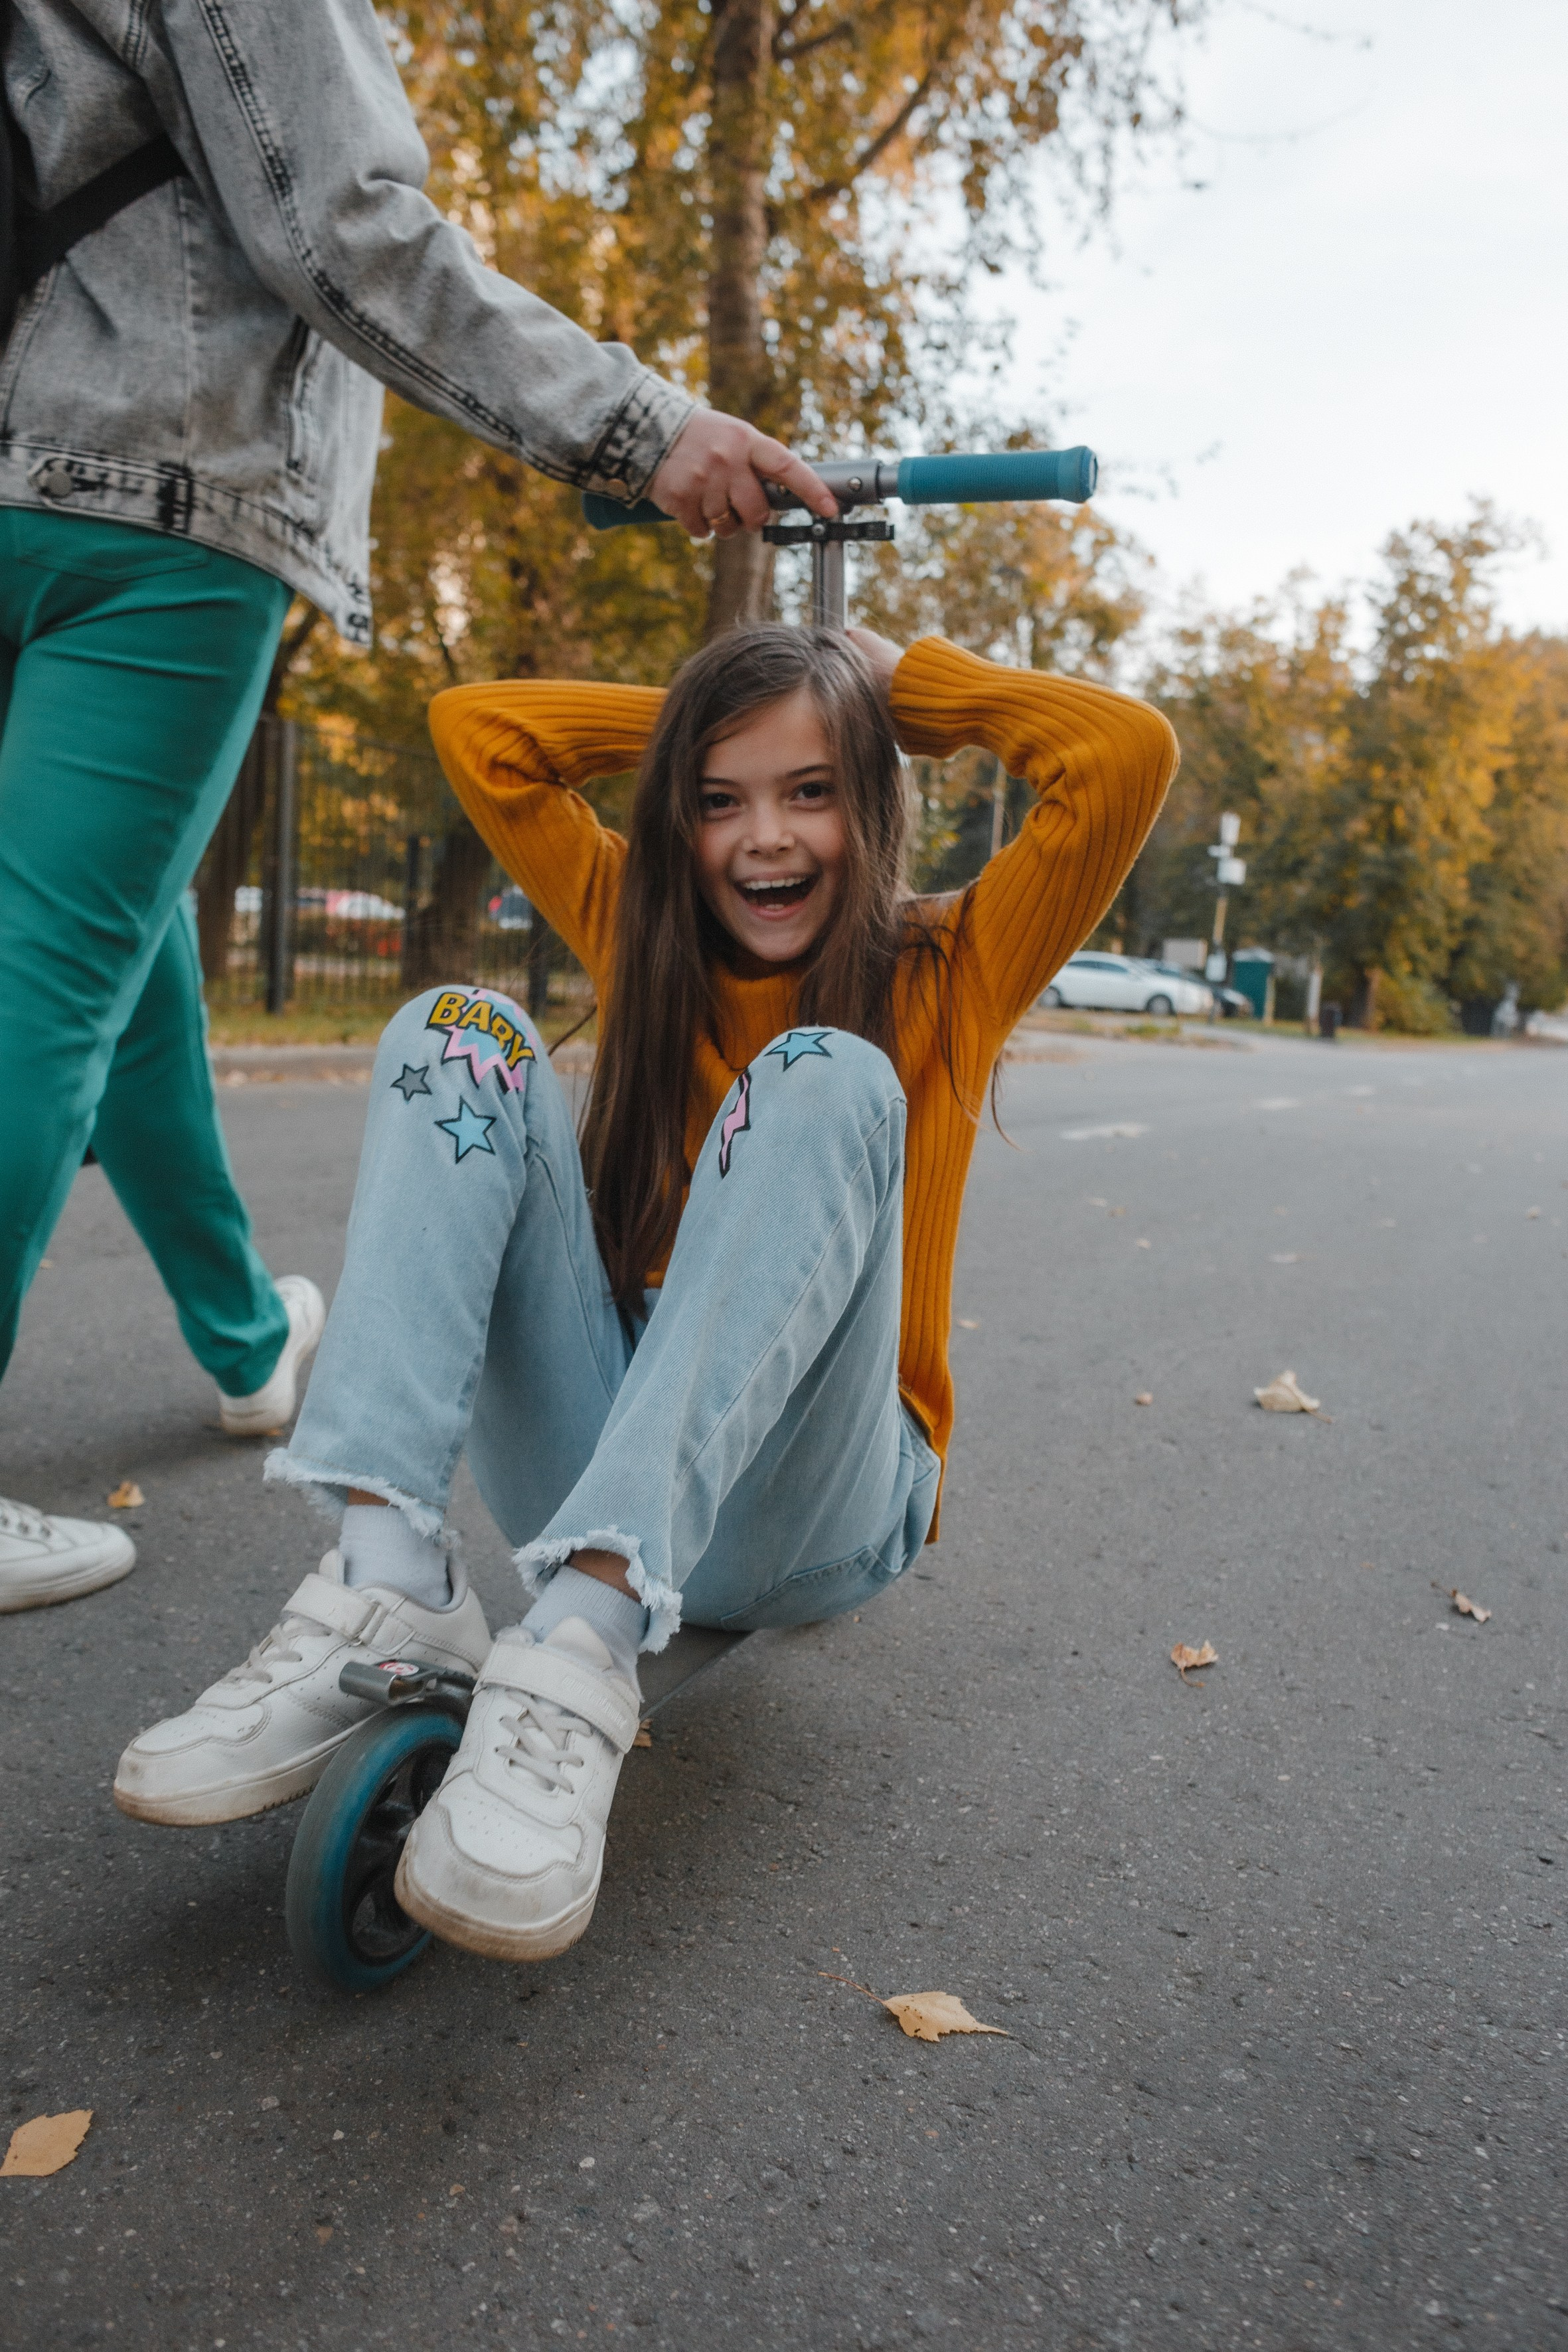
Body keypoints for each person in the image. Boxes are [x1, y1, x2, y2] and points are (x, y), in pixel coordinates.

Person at [115, 621, 1178, 1960]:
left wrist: (884, 692)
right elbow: (479, 732)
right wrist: (713, 719)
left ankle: (585, 1639)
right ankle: (386, 1570)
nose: (763, 841)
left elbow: (1120, 754)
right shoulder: (639, 919)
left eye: (812, 790)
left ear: (872, 792)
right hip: (608, 1435)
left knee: (825, 1073)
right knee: (455, 1032)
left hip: (819, 1497)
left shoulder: (948, 964)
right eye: (716, 797)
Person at [0, 0, 834, 1614]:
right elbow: (343, 227)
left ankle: (247, 1336)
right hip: (163, 497)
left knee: (117, 939)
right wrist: (643, 427)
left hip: (20, 480)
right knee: (45, 969)